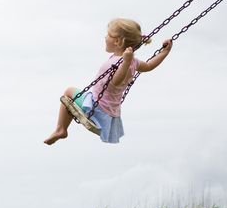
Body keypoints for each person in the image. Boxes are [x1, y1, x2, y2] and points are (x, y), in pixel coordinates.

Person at [44, 18, 173, 145]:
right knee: (71, 102)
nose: (105, 37)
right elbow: (149, 66)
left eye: (108, 35)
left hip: (98, 108)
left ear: (117, 41)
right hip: (109, 111)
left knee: (69, 91)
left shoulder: (125, 62)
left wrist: (126, 61)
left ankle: (61, 129)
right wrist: (165, 52)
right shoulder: (134, 62)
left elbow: (116, 82)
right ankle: (61, 129)